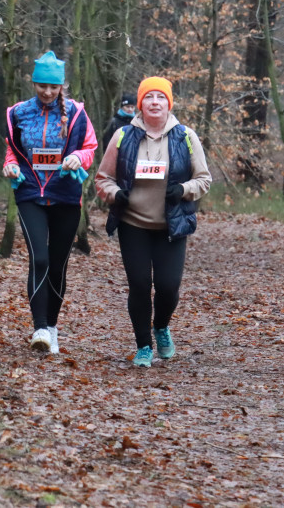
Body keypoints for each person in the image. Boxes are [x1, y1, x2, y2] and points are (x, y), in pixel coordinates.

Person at [95, 76, 211, 367]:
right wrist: (115, 194)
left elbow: (204, 180)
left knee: (168, 286)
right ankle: (143, 346)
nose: (155, 102)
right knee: (139, 283)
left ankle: (161, 326)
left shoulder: (185, 136)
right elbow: (102, 179)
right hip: (133, 224)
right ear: (140, 103)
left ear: (168, 103)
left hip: (171, 225)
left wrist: (183, 190)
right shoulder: (123, 136)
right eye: (149, 97)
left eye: (161, 97)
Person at [3, 51, 98, 354]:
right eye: (41, 85)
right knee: (39, 259)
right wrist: (11, 166)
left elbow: (90, 147)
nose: (47, 92)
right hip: (30, 193)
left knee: (58, 265)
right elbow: (13, 150)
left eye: (53, 87)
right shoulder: (18, 113)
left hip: (65, 196)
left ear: (61, 87)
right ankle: (39, 327)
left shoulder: (77, 114)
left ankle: (53, 327)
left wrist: (76, 157)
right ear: (33, 82)